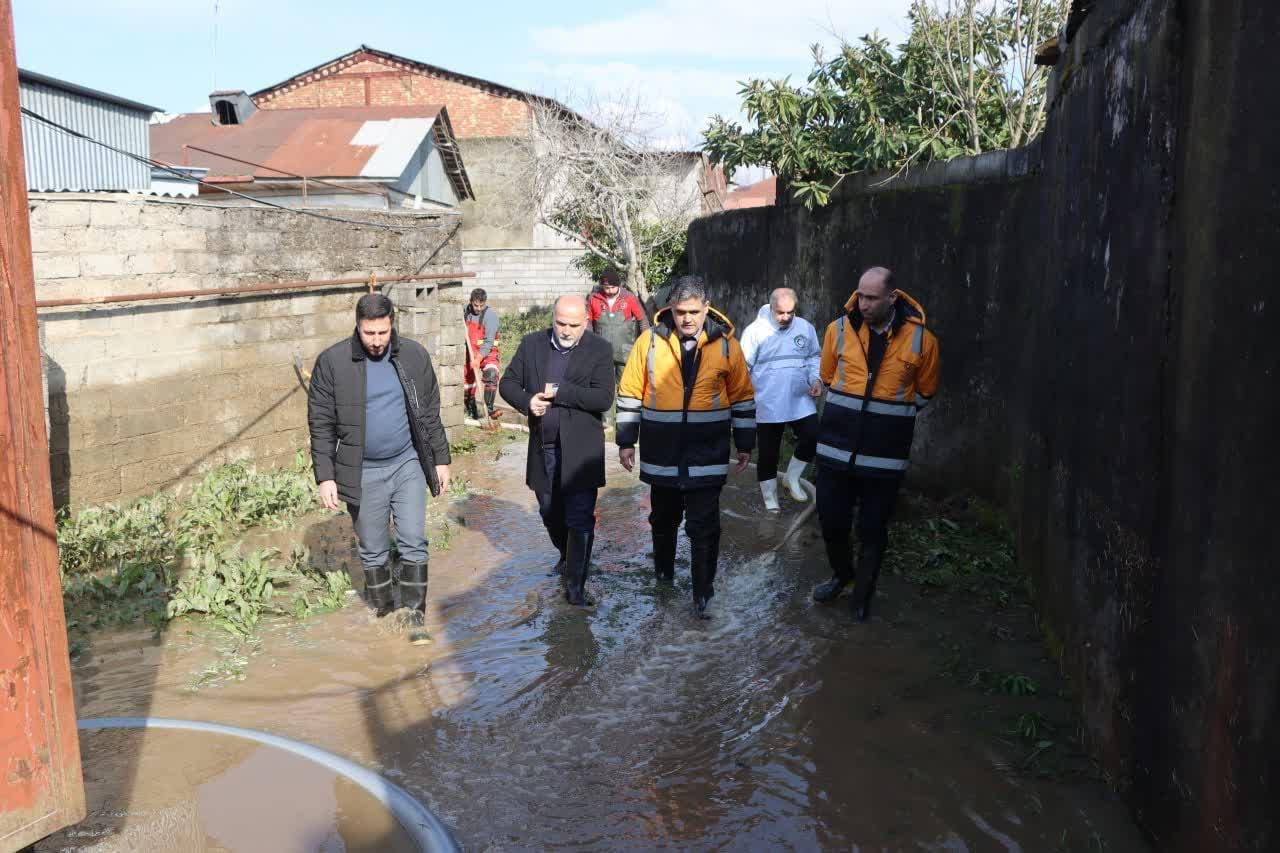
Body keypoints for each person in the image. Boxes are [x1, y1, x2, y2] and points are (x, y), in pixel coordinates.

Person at [307, 293, 451, 642]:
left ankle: (414, 615)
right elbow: (321, 423)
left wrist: (442, 458)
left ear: (392, 325)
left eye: (382, 333)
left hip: (407, 462)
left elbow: (429, 412)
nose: (376, 341)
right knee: (373, 548)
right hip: (363, 469)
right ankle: (386, 611)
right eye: (369, 333)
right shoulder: (333, 362)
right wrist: (325, 476)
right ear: (358, 326)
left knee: (413, 539)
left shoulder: (413, 356)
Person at [615, 275, 756, 618]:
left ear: (706, 308)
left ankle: (702, 597)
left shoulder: (726, 345)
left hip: (707, 453)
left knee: (703, 526)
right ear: (671, 311)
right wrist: (625, 441)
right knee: (662, 520)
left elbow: (742, 396)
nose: (687, 319)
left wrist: (745, 442)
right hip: (662, 454)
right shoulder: (648, 342)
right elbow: (631, 392)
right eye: (680, 312)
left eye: (694, 311)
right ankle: (663, 582)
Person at [811, 267, 939, 622]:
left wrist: (887, 421)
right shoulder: (837, 330)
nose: (863, 304)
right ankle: (842, 575)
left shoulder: (922, 341)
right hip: (835, 450)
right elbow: (827, 376)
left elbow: (925, 392)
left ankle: (862, 597)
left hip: (884, 456)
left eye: (872, 298)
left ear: (891, 298)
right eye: (860, 296)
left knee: (872, 528)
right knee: (832, 520)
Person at [499, 295, 615, 606]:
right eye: (560, 323)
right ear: (553, 319)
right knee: (550, 512)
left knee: (579, 517)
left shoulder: (599, 350)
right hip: (544, 448)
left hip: (581, 450)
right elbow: (507, 384)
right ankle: (567, 555)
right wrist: (527, 402)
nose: (565, 330)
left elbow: (603, 399)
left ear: (585, 323)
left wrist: (560, 393)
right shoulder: (532, 344)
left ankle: (575, 588)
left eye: (573, 325)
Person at [740, 287, 822, 511]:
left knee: (813, 436)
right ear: (771, 307)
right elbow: (742, 369)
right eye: (780, 313)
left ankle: (792, 478)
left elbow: (814, 356)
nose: (785, 317)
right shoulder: (755, 332)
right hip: (768, 402)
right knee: (768, 453)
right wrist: (744, 402)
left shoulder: (805, 328)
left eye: (790, 312)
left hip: (800, 399)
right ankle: (770, 502)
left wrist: (816, 379)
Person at [586, 265, 649, 424]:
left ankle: (626, 418)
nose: (608, 290)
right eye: (606, 287)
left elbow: (642, 319)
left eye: (612, 287)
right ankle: (606, 421)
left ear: (618, 285)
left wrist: (647, 341)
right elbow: (588, 323)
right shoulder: (594, 299)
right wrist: (590, 342)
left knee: (626, 386)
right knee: (605, 385)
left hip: (626, 352)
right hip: (601, 353)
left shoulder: (629, 298)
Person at [463, 287, 502, 422]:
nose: (478, 308)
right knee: (467, 380)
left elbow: (489, 341)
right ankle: (470, 408)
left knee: (491, 375)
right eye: (475, 305)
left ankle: (489, 410)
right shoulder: (465, 311)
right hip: (470, 351)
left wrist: (479, 358)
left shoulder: (490, 316)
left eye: (481, 305)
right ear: (470, 302)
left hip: (488, 352)